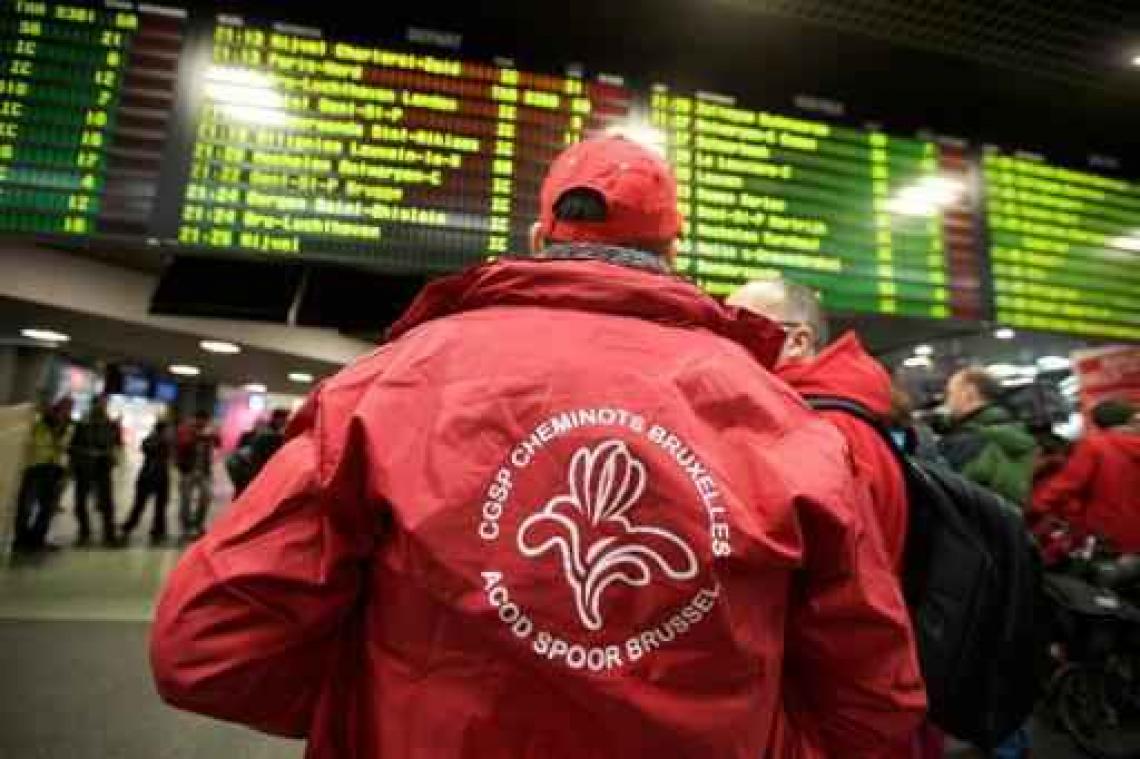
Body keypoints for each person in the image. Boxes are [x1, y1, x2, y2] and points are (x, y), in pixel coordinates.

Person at [151, 136, 924, 758]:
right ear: (673, 257)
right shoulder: (782, 417)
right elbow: (875, 701)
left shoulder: (387, 388)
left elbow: (208, 645)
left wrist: (384, 713)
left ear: (535, 239)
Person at [727, 276, 908, 570]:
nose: (723, 345)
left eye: (741, 330)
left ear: (798, 342)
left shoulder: (817, 427)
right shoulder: (848, 412)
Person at [1032, 399, 1140, 553]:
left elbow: (1068, 484)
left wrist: (1036, 506)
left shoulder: (1095, 445)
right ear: (1130, 420)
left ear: (1096, 423)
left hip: (1109, 532)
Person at [940, 367, 1037, 506]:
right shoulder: (1012, 428)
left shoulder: (969, 440)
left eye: (950, 393)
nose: (947, 401)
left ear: (969, 393)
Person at [13, 397, 73, 552]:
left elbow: (68, 449)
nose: (65, 412)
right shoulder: (40, 423)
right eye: (63, 408)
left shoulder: (69, 427)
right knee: (25, 506)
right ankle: (21, 538)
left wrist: (66, 471)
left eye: (68, 409)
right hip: (36, 468)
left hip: (55, 470)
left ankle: (37, 539)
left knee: (47, 508)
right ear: (56, 408)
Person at [69, 394, 122, 547]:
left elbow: (116, 444)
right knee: (80, 501)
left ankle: (109, 534)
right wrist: (86, 453)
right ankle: (84, 531)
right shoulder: (83, 424)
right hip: (85, 466)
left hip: (103, 466)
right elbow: (73, 446)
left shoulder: (110, 424)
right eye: (100, 403)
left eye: (104, 404)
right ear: (93, 405)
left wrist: (110, 453)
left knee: (106, 502)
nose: (102, 406)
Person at [121, 420, 172, 544]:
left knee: (159, 506)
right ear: (162, 430)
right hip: (149, 477)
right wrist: (160, 442)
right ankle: (128, 528)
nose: (168, 432)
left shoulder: (163, 441)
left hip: (159, 476)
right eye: (167, 430)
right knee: (141, 505)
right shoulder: (152, 440)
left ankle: (158, 531)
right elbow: (146, 449)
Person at [227, 409, 290, 497]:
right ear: (277, 419)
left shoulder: (275, 434)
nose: (286, 422)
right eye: (284, 419)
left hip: (254, 471)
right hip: (253, 472)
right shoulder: (270, 435)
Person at [174, 410, 218, 538]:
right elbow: (183, 444)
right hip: (187, 470)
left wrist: (211, 435)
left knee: (207, 496)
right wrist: (198, 435)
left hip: (204, 471)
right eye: (201, 420)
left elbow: (217, 442)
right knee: (185, 500)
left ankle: (198, 524)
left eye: (205, 421)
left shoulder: (208, 431)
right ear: (195, 419)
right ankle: (186, 527)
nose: (203, 423)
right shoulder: (185, 429)